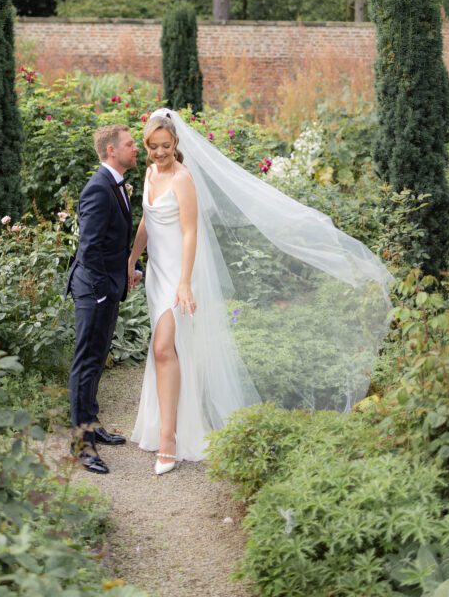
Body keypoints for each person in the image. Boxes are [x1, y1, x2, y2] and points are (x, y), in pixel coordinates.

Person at [129, 109, 392, 475]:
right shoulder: (150, 172)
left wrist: (186, 281)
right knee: (165, 353)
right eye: (153, 146)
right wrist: (131, 258)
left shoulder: (183, 179)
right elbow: (147, 218)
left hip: (178, 274)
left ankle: (170, 440)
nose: (159, 153)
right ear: (146, 145)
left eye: (166, 146)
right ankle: (163, 427)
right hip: (157, 271)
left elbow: (191, 232)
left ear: (176, 144)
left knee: (163, 348)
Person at [66, 124, 138, 474]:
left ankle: (92, 426)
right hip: (94, 290)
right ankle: (82, 446)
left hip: (106, 286)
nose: (135, 147)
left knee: (97, 361)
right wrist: (103, 290)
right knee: (86, 365)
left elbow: (114, 242)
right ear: (112, 150)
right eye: (129, 143)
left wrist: (128, 271)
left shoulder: (115, 185)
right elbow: (90, 248)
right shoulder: (98, 188)